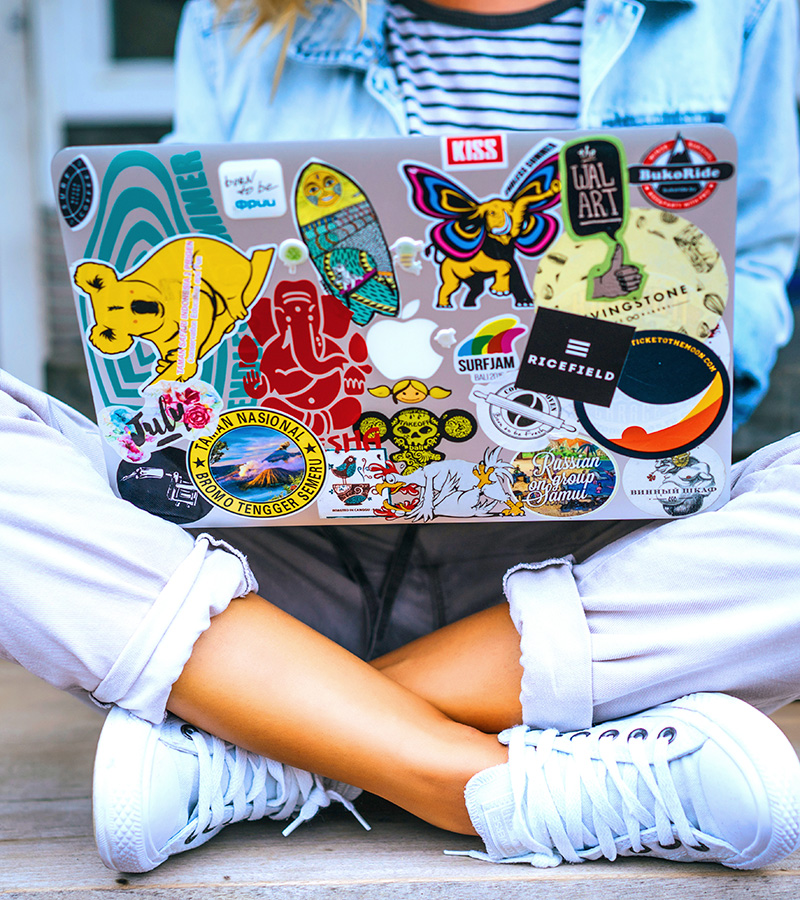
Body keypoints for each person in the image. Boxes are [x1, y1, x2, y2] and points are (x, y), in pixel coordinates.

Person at [4, 365, 800, 875]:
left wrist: (594, 352)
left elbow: (750, 291)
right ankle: (497, 788)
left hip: (584, 535)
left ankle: (259, 743)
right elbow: (176, 327)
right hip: (270, 551)